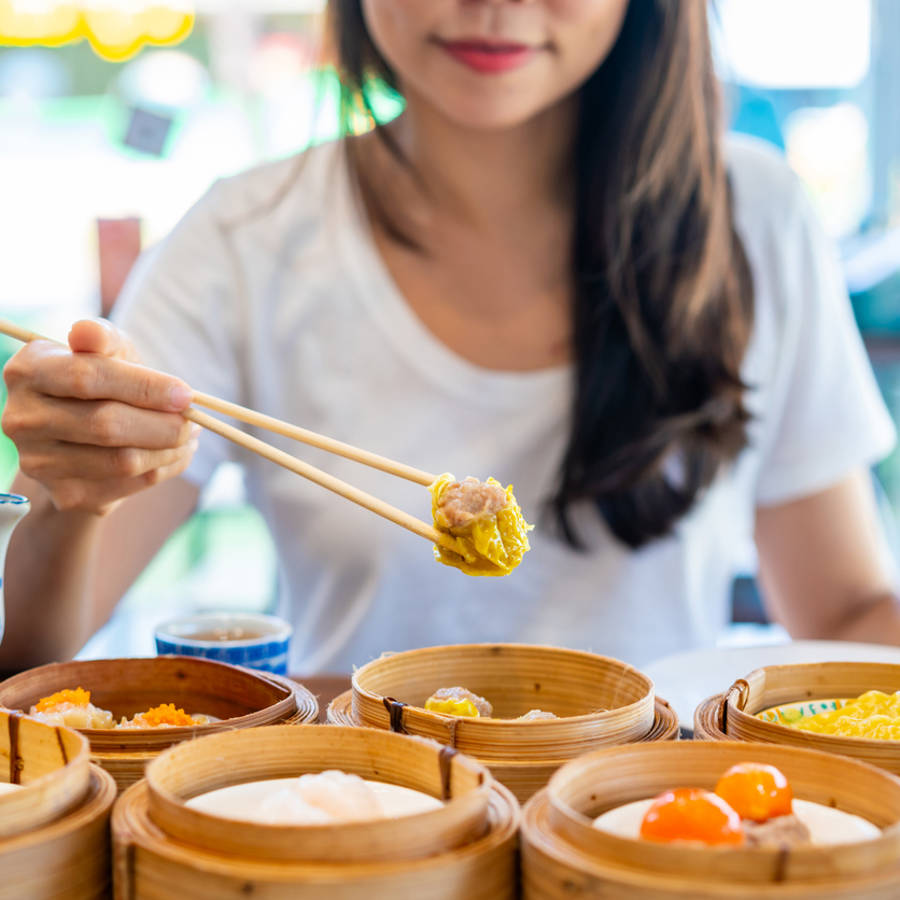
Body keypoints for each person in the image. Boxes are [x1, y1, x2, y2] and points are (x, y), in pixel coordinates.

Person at [1, 0, 897, 676]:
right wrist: (67, 495)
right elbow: (30, 660)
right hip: (354, 815)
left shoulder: (752, 215)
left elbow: (848, 610)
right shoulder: (244, 239)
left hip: (652, 829)